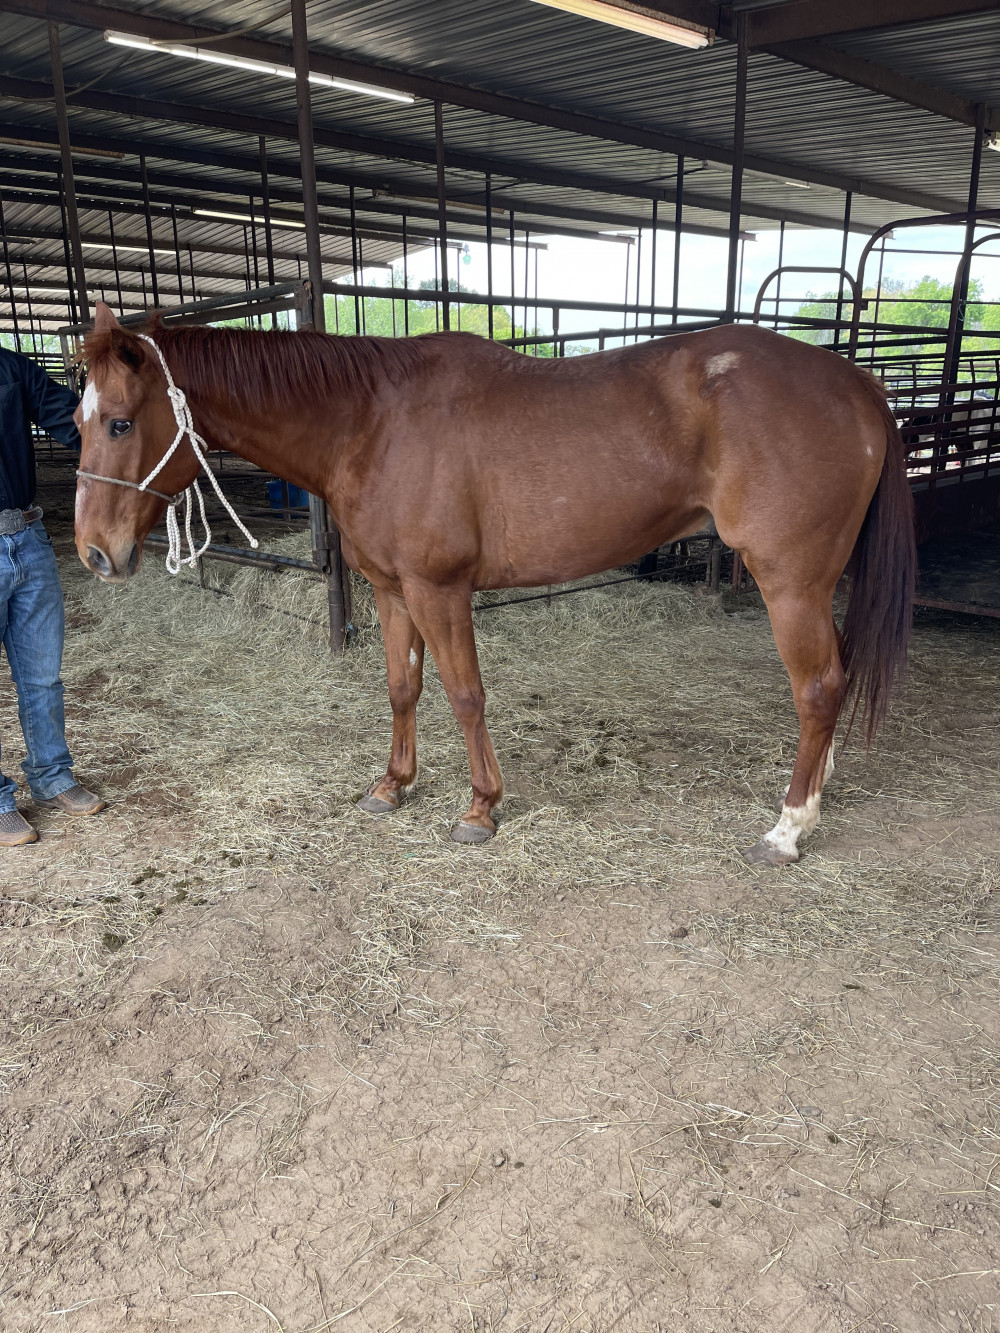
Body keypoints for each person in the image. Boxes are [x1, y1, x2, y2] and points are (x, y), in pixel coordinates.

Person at [0, 345, 105, 847]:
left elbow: (76, 422)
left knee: (42, 674)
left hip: (28, 535)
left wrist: (132, 427)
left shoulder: (12, 367)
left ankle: (51, 775)